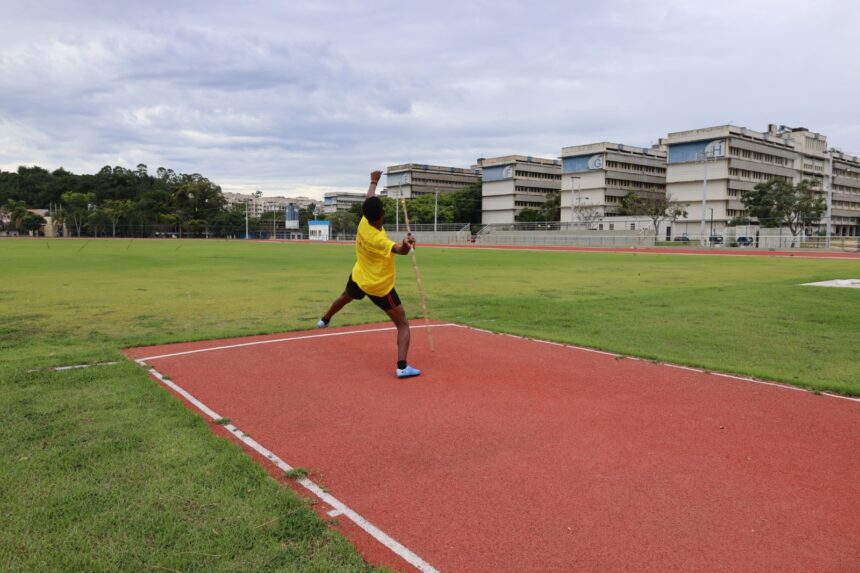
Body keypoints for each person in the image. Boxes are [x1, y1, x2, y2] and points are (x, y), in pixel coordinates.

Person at [316, 170, 421, 379]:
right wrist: (407, 244)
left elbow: (369, 199)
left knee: (345, 296)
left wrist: (374, 181)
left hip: (360, 276)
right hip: (379, 287)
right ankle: (402, 367)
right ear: (382, 214)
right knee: (402, 323)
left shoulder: (364, 221)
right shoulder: (378, 239)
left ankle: (324, 319)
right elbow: (400, 251)